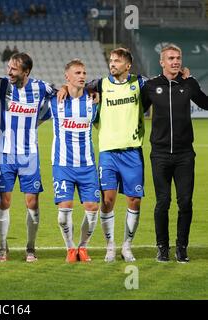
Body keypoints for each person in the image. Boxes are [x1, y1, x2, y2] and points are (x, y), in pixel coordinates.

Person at [59, 48, 145, 263]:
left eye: (117, 61)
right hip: (108, 152)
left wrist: (183, 76)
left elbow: (161, 85)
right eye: (111, 60)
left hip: (132, 151)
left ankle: (127, 246)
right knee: (107, 200)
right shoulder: (100, 85)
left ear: (128, 65)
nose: (112, 63)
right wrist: (63, 86)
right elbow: (75, 85)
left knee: (134, 200)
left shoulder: (140, 83)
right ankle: (110, 246)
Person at [141, 44, 208, 263]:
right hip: (159, 154)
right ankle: (162, 247)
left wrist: (193, 81)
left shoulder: (188, 84)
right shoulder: (151, 86)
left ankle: (181, 247)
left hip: (184, 155)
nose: (175, 61)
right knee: (163, 202)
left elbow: (206, 103)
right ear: (162, 62)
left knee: (185, 202)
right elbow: (136, 109)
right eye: (171, 58)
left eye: (178, 57)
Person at [0, 52, 54, 262]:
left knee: (32, 202)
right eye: (8, 67)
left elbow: (61, 95)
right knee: (3, 201)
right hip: (5, 153)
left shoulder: (41, 88)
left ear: (26, 71)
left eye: (14, 69)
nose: (9, 72)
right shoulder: (0, 85)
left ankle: (30, 248)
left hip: (29, 154)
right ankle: (2, 248)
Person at [49, 59, 99, 263]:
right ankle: (70, 247)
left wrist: (95, 92)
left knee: (92, 209)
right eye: (77, 73)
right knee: (63, 213)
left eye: (84, 73)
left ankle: (83, 247)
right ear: (67, 77)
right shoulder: (55, 101)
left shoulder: (93, 101)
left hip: (87, 166)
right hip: (62, 165)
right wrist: (61, 88)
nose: (82, 76)